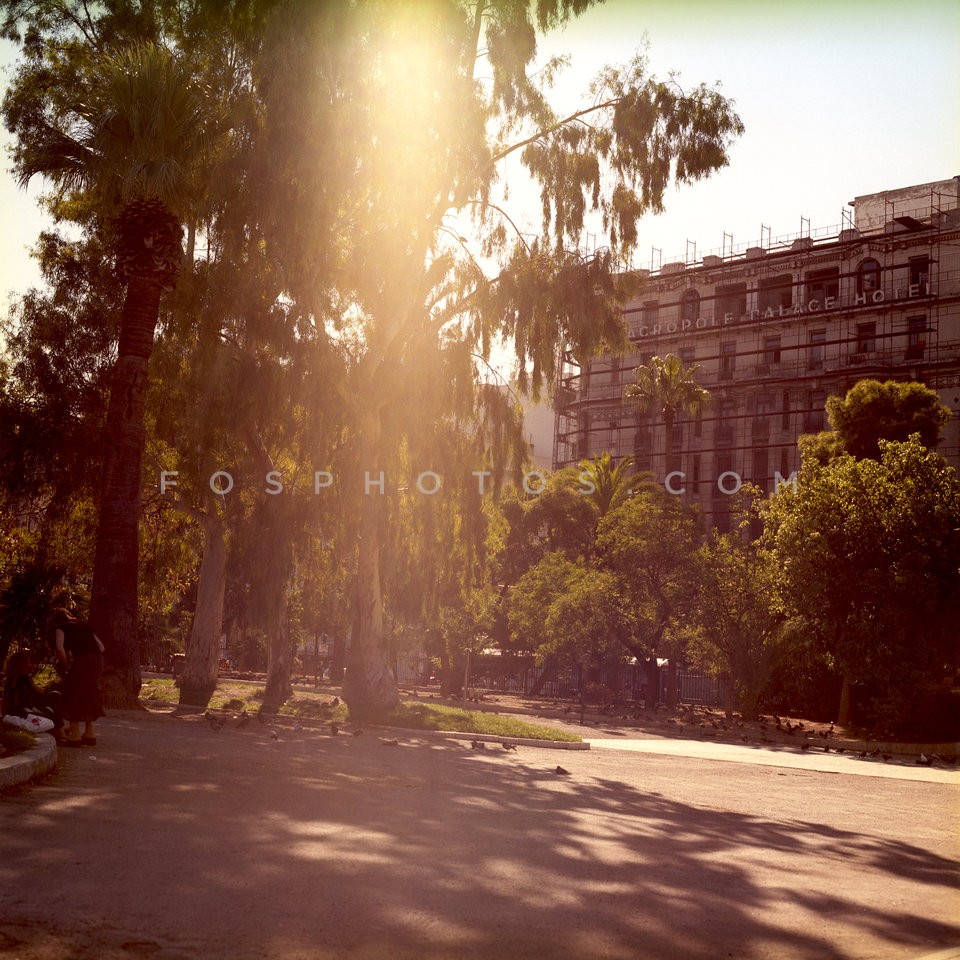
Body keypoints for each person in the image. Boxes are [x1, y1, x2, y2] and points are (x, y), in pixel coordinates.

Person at [51, 608, 105, 746]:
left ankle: (75, 735)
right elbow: (101, 647)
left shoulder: (61, 628)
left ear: (56, 621)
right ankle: (89, 733)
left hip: (83, 661)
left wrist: (66, 664)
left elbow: (59, 648)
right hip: (98, 661)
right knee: (88, 693)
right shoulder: (84, 625)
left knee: (72, 693)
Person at [2, 648, 64, 734]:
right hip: (21, 712)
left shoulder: (11, 679)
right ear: (21, 665)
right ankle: (61, 732)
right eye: (29, 662)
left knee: (52, 701)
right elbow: (37, 696)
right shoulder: (22, 679)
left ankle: (61, 731)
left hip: (13, 711)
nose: (33, 665)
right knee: (54, 697)